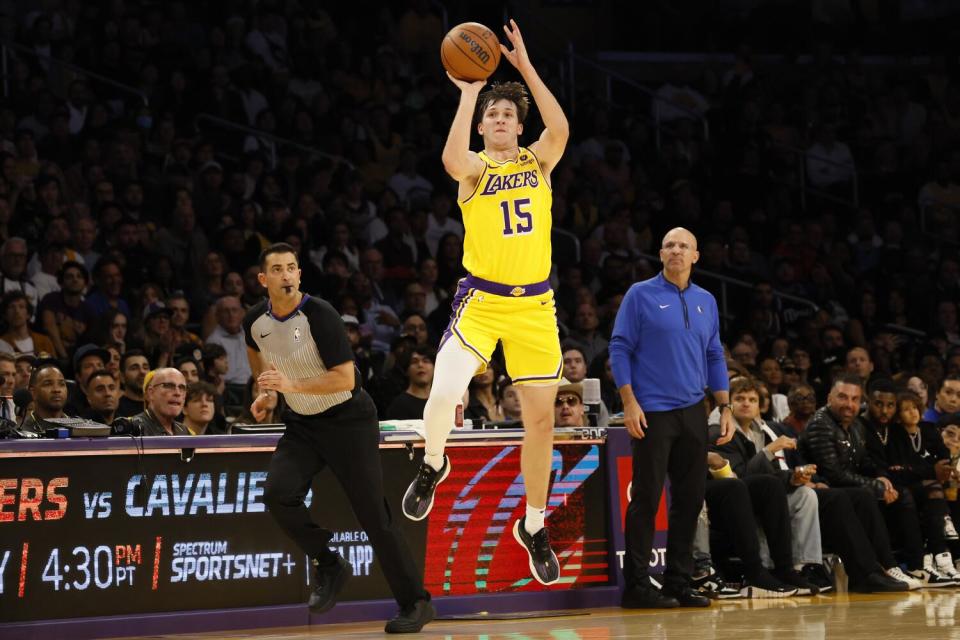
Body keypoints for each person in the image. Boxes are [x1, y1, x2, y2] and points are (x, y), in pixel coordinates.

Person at [400, 20, 570, 587]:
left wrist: (522, 66)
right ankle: (432, 464)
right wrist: (471, 90)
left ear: (520, 127)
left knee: (541, 422)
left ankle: (534, 524)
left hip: (535, 308)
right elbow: (451, 158)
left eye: (507, 115)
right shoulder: (473, 168)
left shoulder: (537, 162)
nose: (500, 120)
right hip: (482, 302)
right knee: (445, 392)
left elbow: (561, 126)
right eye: (491, 115)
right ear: (482, 126)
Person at [243, 243, 433, 632]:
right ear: (263, 280)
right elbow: (261, 365)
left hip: (348, 421)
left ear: (299, 275)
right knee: (277, 493)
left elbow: (344, 379)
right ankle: (329, 563)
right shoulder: (253, 322)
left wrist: (289, 383)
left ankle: (416, 602)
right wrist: (266, 397)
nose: (285, 275)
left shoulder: (320, 314)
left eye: (291, 268)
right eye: (276, 269)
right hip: (302, 424)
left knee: (372, 516)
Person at [610, 227, 734, 609]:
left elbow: (714, 353)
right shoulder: (640, 294)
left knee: (690, 498)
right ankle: (637, 585)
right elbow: (620, 347)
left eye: (684, 246)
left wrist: (724, 404)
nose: (676, 250)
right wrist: (629, 402)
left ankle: (678, 581)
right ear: (660, 254)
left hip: (694, 410)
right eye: (669, 245)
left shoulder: (706, 301)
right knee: (646, 497)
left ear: (696, 256)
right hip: (652, 411)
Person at [126, 368, 189, 436]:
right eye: (168, 386)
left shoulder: (184, 431)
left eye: (182, 387)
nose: (177, 393)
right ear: (151, 393)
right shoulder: (131, 428)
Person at [385, 345, 435, 420]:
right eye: (414, 362)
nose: (420, 365)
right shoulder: (399, 405)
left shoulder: (443, 402)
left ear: (435, 368)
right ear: (407, 371)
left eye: (426, 361)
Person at [20, 365, 70, 435]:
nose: (56, 390)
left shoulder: (80, 430)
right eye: (48, 384)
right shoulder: (21, 433)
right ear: (33, 392)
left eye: (61, 384)